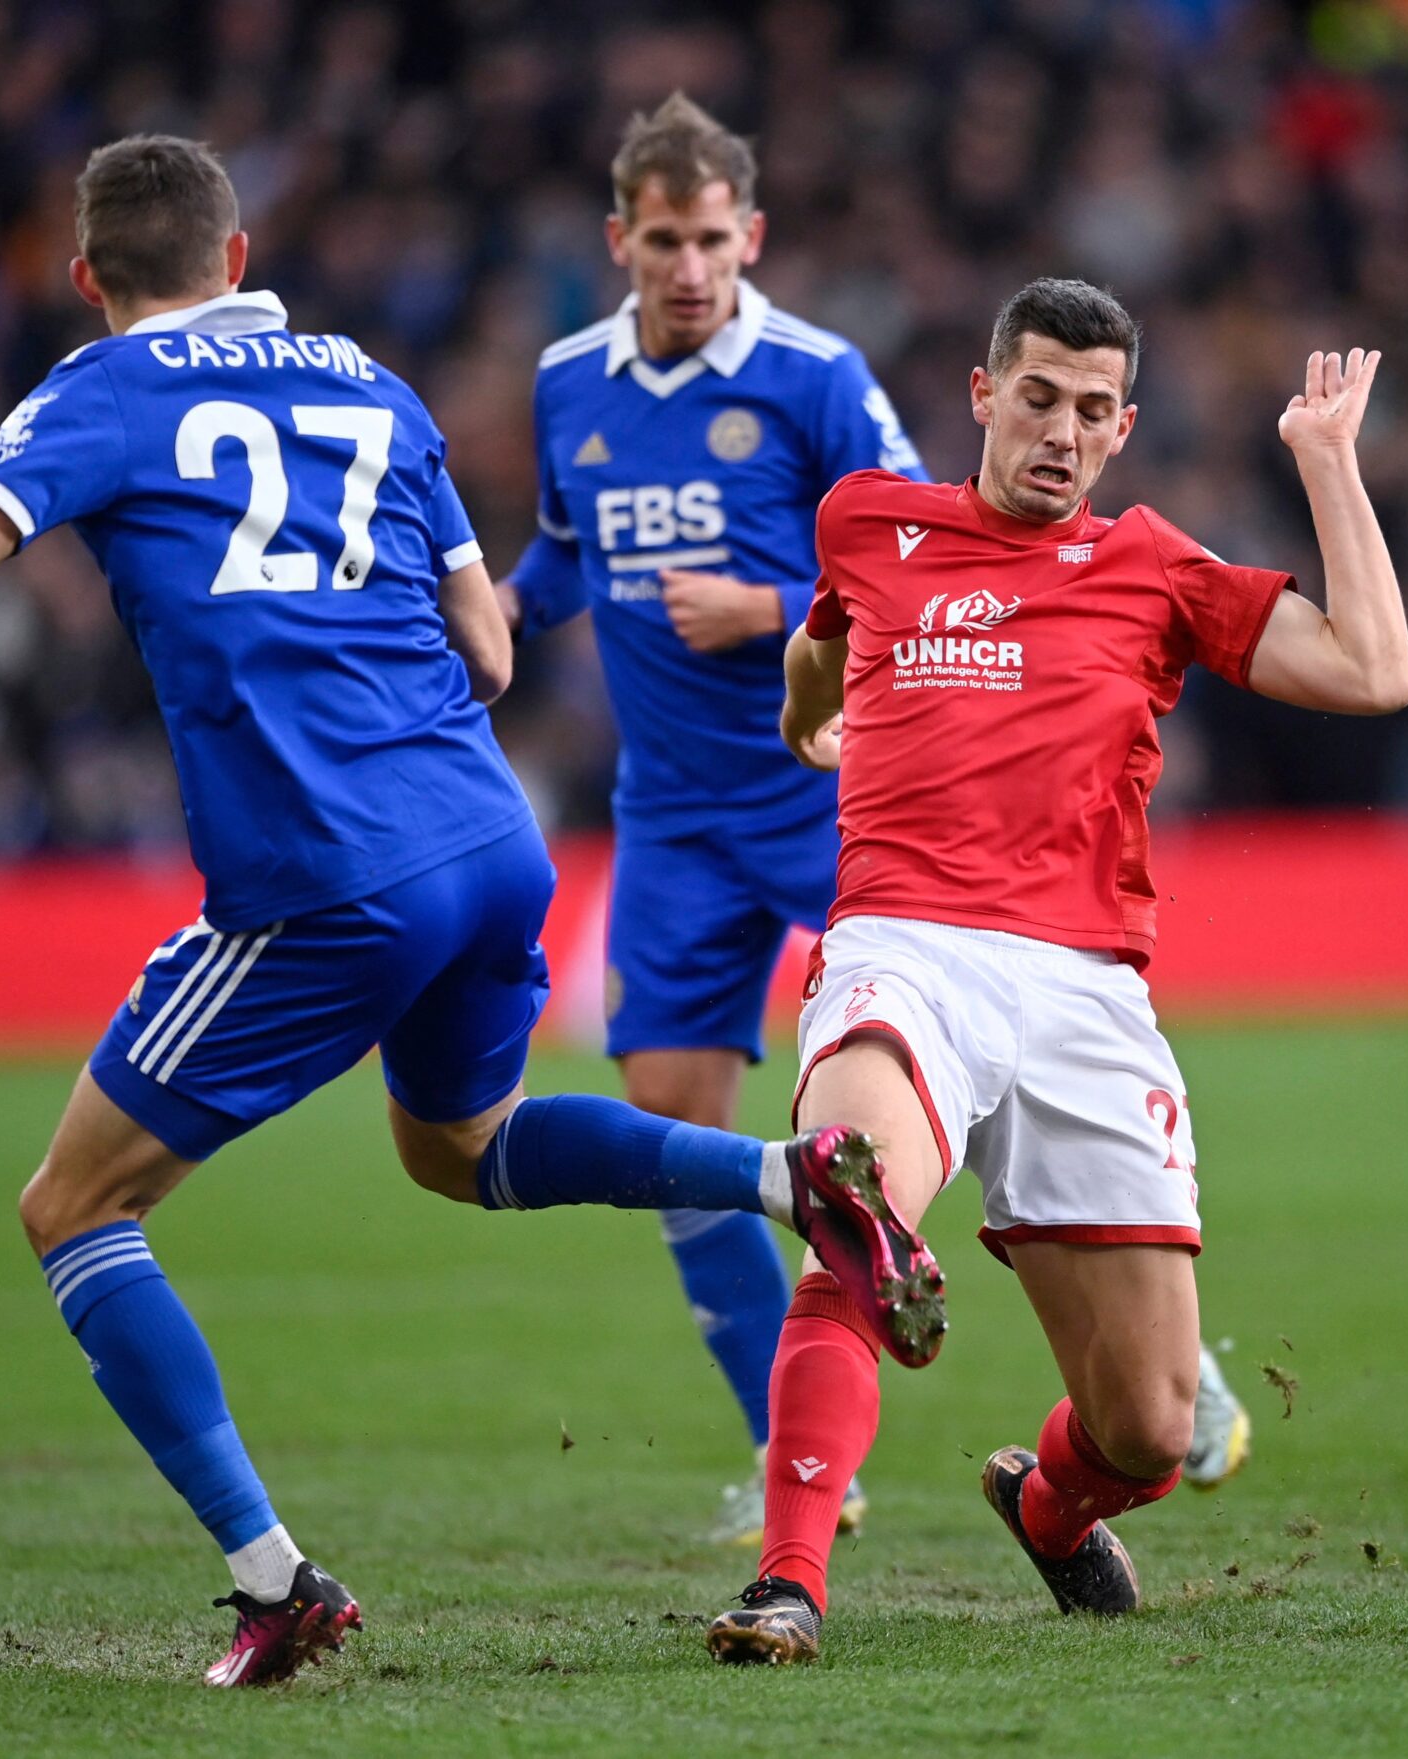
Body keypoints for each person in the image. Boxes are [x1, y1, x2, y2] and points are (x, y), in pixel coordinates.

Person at [0, 135, 942, 1690]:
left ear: (90, 277)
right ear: (239, 259)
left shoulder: (102, 388)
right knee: (463, 1150)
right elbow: (492, 655)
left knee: (73, 1208)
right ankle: (789, 1174)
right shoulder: (372, 383)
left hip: (318, 874)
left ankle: (272, 1578)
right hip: (488, 839)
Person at [508, 98, 1250, 1546]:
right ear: (621, 242)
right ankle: (796, 1467)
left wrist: (771, 612)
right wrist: (492, 619)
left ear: (751, 237)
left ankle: (1145, 1325)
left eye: (713, 237)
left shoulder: (813, 376)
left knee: (904, 1076)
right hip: (670, 816)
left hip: (836, 787)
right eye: (663, 239)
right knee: (675, 1123)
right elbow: (558, 547)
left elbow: (938, 543)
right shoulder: (563, 386)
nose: (689, 264)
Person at [705, 281, 1408, 1665]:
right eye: (1038, 397)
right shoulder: (872, 518)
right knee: (856, 1199)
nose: (1062, 432)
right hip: (905, 947)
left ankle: (1050, 1502)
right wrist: (809, 719)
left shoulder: (1153, 568)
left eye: (1094, 411)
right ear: (983, 395)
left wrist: (1328, 463)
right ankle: (788, 1585)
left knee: (1150, 1428)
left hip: (1087, 989)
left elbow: (1374, 671)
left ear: (1123, 426)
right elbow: (824, 639)